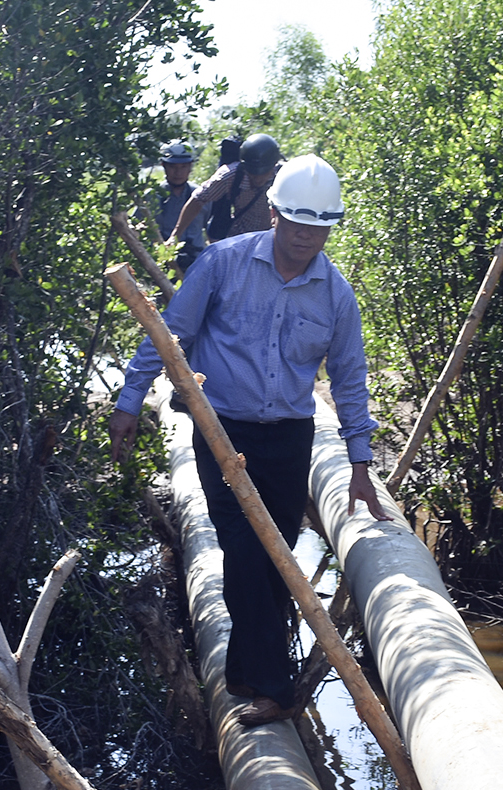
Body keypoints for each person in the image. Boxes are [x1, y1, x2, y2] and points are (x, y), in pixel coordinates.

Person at [110, 154, 391, 728]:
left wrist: (360, 461)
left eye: (319, 229)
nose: (305, 239)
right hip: (222, 431)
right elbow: (172, 333)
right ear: (272, 213)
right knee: (242, 549)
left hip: (289, 439)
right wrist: (128, 399)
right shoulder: (221, 264)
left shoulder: (335, 295)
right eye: (296, 225)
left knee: (275, 559)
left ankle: (244, 670)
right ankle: (277, 690)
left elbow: (349, 378)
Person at [167, 133, 283, 249]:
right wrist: (175, 236)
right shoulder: (230, 176)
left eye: (263, 173)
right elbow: (198, 199)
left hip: (272, 240)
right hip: (239, 240)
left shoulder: (283, 176)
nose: (258, 178)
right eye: (253, 173)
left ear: (273, 165)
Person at [153, 141, 210, 272]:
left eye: (183, 167)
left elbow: (212, 230)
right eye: (173, 167)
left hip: (199, 265)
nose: (178, 172)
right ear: (164, 166)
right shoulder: (152, 196)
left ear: (190, 167)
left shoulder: (203, 195)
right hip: (165, 268)